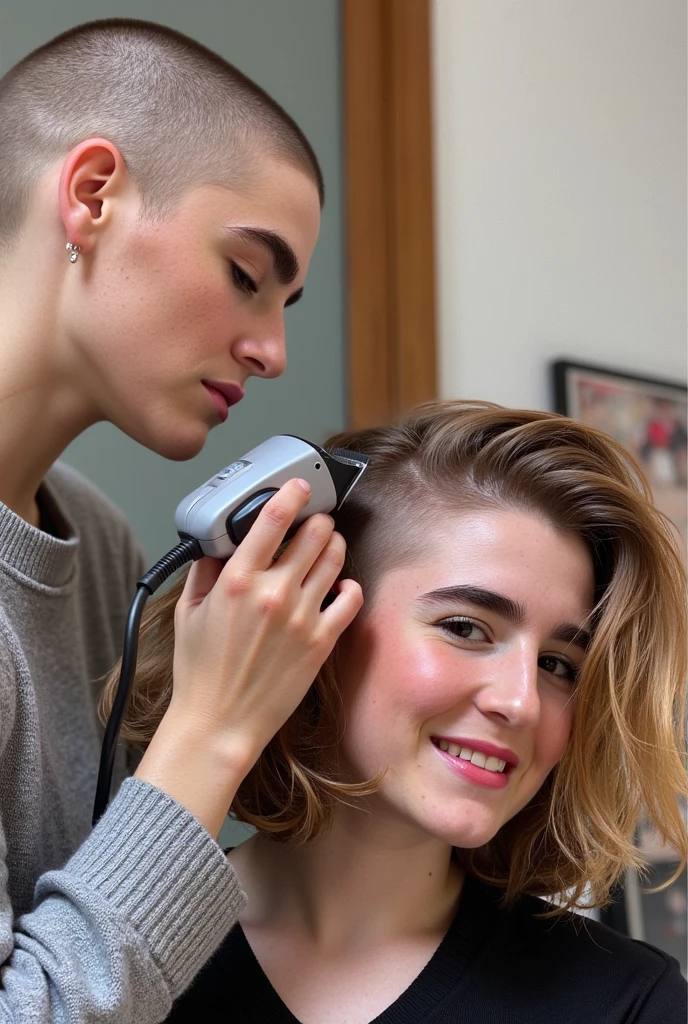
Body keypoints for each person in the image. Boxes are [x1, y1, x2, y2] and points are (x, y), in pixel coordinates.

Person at [0, 17, 362, 1022]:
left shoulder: (104, 543)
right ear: (91, 195)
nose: (273, 351)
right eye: (248, 275)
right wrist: (212, 725)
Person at [105, 400, 688, 1023]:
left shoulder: (630, 1004)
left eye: (557, 665)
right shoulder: (108, 971)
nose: (520, 702)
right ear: (308, 621)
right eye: (466, 627)